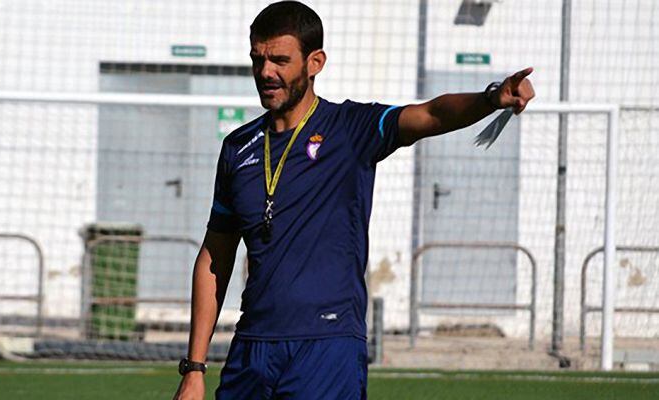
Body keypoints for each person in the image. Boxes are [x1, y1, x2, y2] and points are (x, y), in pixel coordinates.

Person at [173, 1, 535, 399]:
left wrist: (489, 98)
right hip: (253, 346)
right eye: (257, 59)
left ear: (315, 62)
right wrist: (194, 368)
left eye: (279, 60)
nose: (265, 73)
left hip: (328, 346)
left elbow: (430, 114)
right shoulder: (237, 148)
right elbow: (214, 257)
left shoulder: (351, 129)